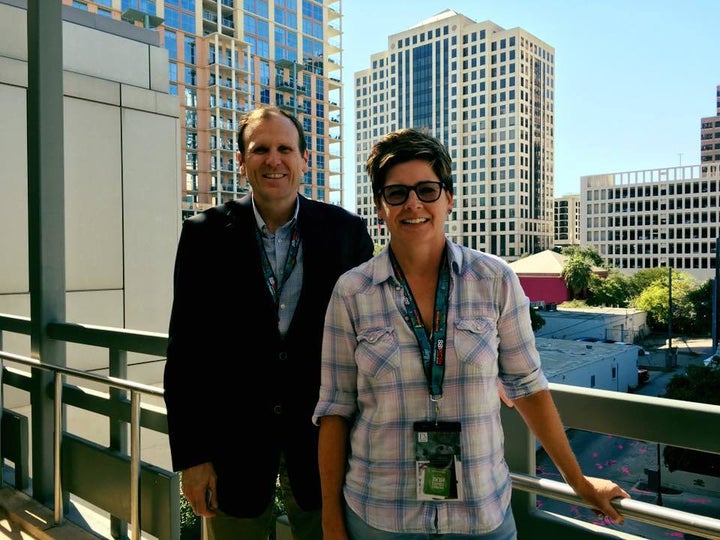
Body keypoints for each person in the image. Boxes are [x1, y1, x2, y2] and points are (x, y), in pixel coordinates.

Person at [313, 128, 630, 539]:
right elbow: (335, 412)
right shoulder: (352, 291)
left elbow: (529, 388)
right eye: (397, 193)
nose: (413, 203)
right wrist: (332, 523)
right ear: (380, 207)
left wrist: (580, 482)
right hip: (380, 515)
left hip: (480, 515)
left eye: (427, 190)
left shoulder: (494, 279)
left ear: (448, 198)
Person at [164, 106, 374, 540]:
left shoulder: (346, 233)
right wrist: (193, 458)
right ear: (241, 161)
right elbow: (186, 354)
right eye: (260, 149)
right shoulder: (203, 234)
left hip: (327, 448)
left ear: (304, 159)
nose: (273, 160)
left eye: (285, 149)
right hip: (230, 452)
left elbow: (369, 342)